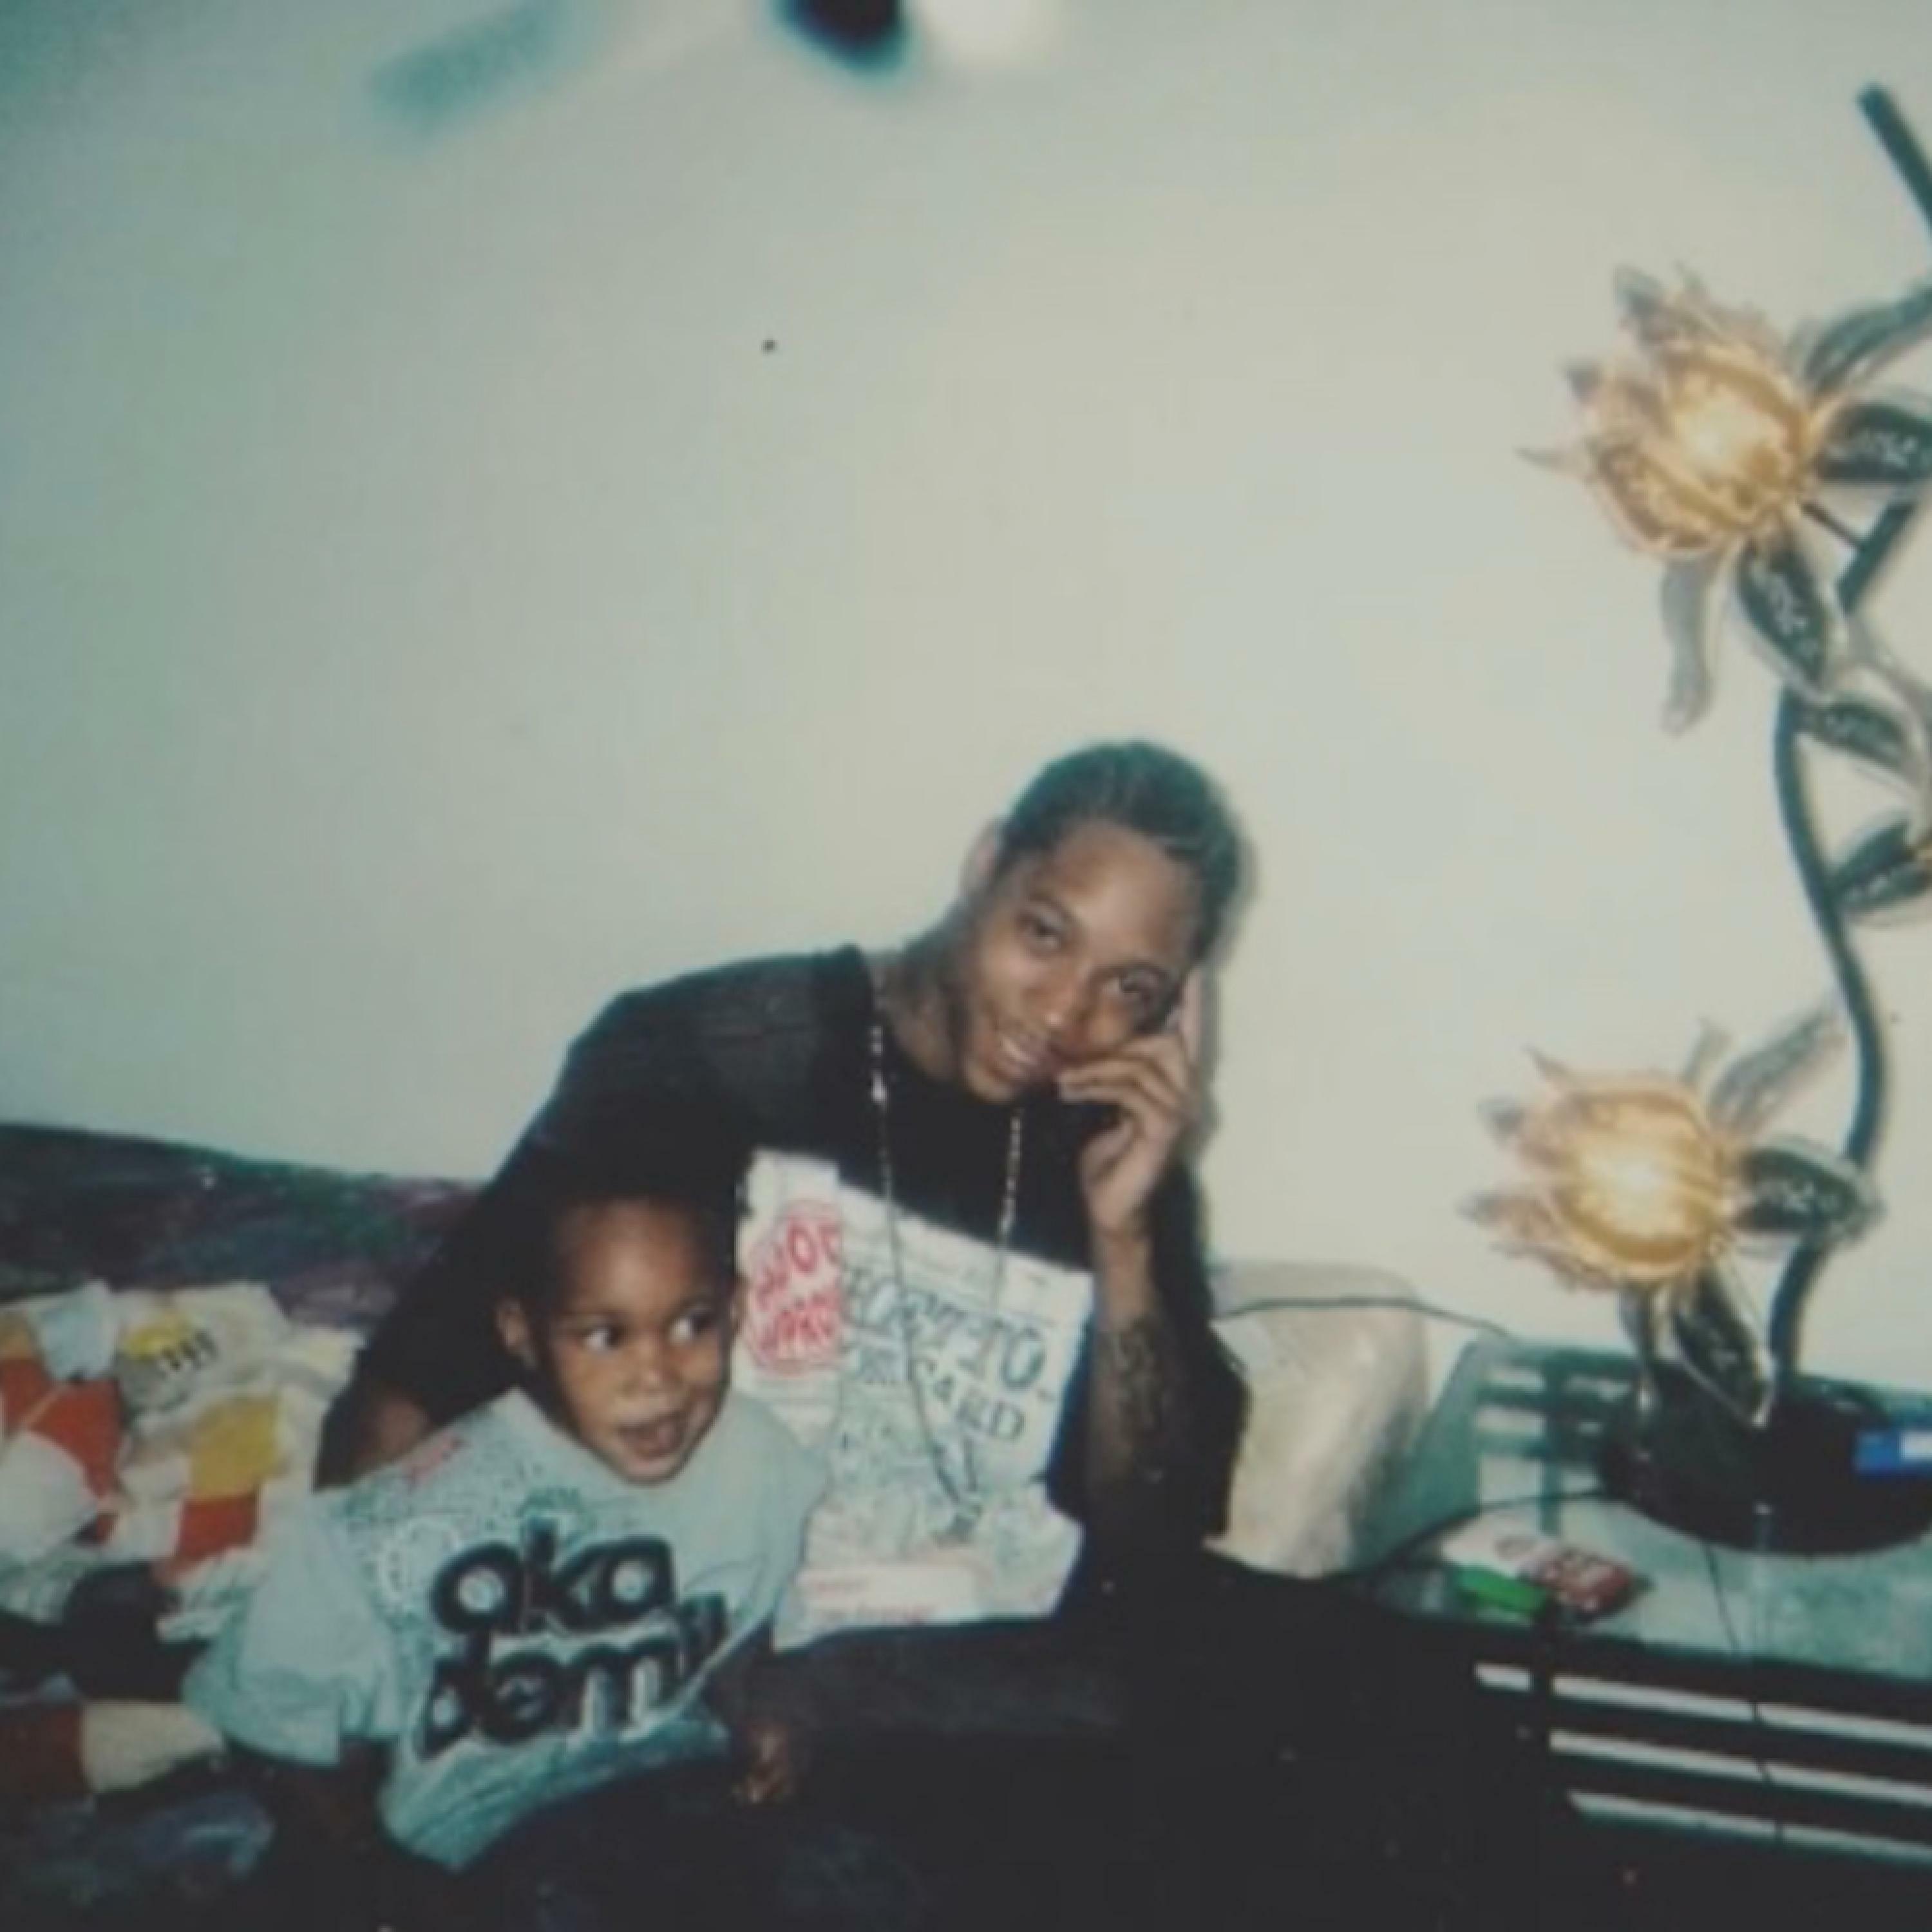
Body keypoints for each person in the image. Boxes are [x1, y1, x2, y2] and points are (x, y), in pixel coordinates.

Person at [325, 741, 1615, 1930]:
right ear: (986, 864)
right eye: (1044, 933)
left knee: (1399, 1695)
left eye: (1129, 989)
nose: (1064, 1012)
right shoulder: (716, 1054)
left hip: (1009, 1645)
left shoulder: (1107, 1136)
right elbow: (416, 1384)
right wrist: (355, 1754)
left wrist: (1126, 1229)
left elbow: (1154, 1531)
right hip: (744, 1650)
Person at [184, 1144, 824, 1930]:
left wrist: (765, 1705)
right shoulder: (412, 1515)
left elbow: (740, 1629)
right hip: (481, 1845)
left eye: (692, 1324)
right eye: (604, 1336)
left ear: (736, 1309)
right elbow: (272, 1714)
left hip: (680, 1808)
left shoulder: (758, 1461)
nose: (656, 1377)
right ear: (524, 1335)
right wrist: (370, 1864)